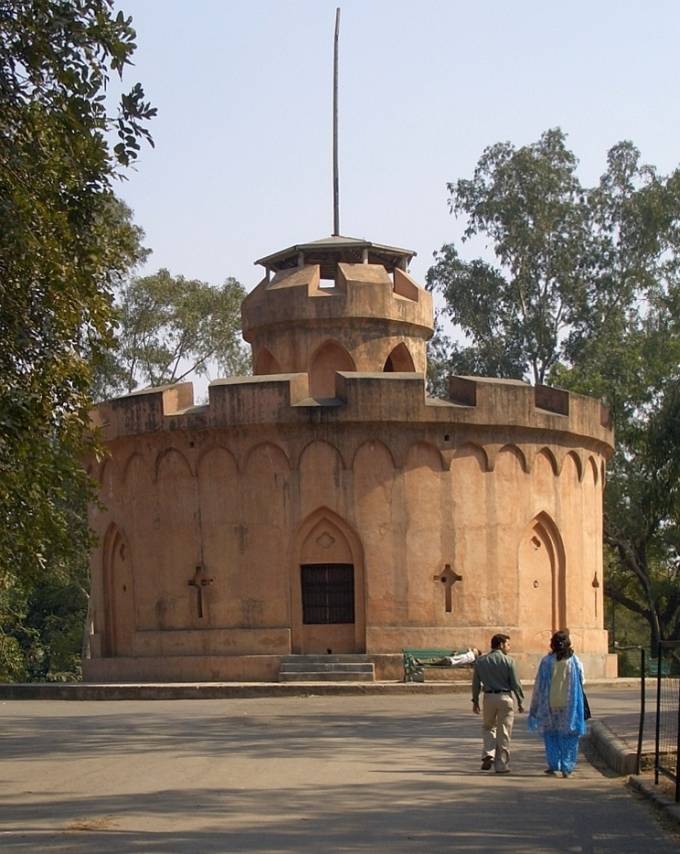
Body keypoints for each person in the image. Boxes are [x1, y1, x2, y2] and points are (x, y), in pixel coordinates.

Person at [528, 630, 587, 778]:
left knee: (551, 734)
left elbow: (539, 685)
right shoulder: (574, 661)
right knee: (569, 735)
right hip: (569, 705)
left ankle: (554, 765)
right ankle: (567, 768)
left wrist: (534, 707)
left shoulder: (547, 661)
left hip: (549, 704)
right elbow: (582, 681)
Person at [472, 634, 525, 773]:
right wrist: (520, 700)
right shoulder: (509, 661)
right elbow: (515, 683)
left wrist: (475, 701)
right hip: (505, 697)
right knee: (504, 732)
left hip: (488, 697)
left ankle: (489, 753)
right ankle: (501, 764)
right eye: (508, 644)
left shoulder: (481, 661)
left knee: (488, 727)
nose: (509, 647)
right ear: (501, 645)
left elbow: (476, 684)